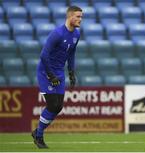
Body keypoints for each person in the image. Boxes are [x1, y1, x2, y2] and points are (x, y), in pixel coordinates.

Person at [31, 6, 83, 149]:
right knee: (53, 104)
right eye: (78, 17)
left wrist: (71, 72)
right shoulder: (57, 33)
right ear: (70, 17)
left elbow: (71, 53)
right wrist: (51, 75)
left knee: (58, 107)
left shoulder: (76, 34)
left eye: (81, 17)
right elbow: (43, 56)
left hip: (59, 72)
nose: (80, 20)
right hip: (45, 72)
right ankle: (39, 135)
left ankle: (37, 132)